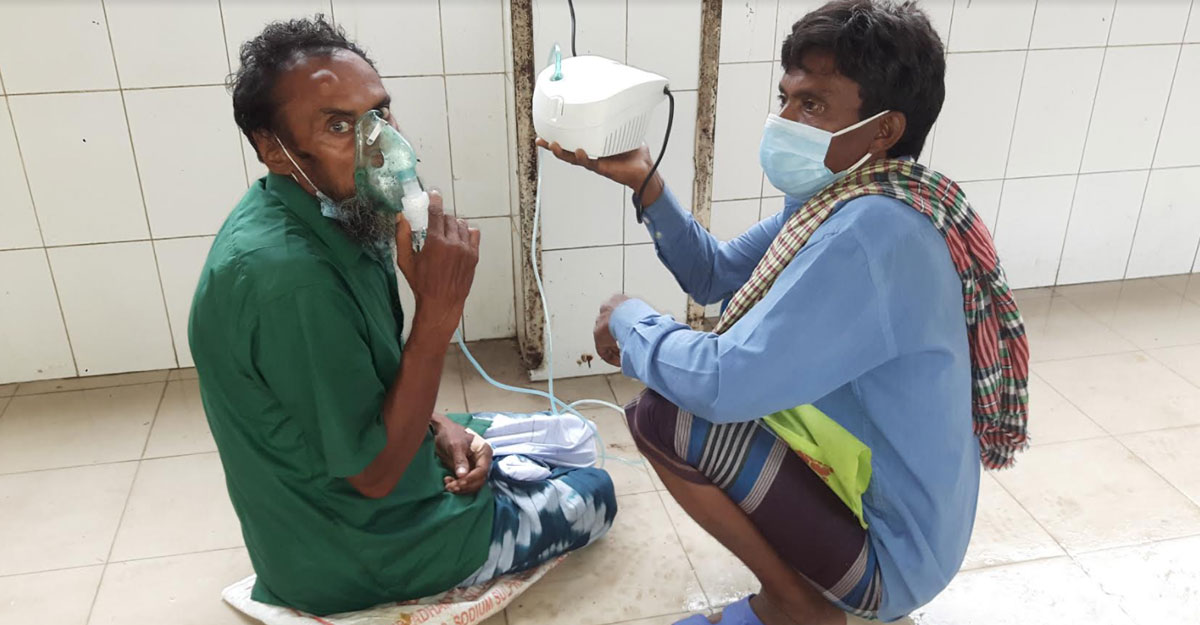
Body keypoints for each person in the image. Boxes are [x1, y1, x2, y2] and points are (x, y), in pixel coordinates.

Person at [540, 1, 1030, 623]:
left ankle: (797, 607)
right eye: (786, 99)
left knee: (668, 415)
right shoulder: (854, 197)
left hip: (893, 555)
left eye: (813, 105)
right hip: (899, 515)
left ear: (883, 130)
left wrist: (630, 320)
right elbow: (714, 274)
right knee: (692, 388)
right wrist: (646, 182)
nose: (785, 121)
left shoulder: (873, 232)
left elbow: (724, 382)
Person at [188, 17, 615, 616]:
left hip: (367, 455)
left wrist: (437, 424)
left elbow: (366, 378)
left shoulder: (338, 212)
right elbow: (373, 475)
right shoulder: (289, 281)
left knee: (573, 437)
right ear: (273, 150)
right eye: (340, 126)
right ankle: (451, 551)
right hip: (360, 542)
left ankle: (468, 461)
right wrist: (438, 316)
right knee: (596, 490)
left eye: (380, 114)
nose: (384, 145)